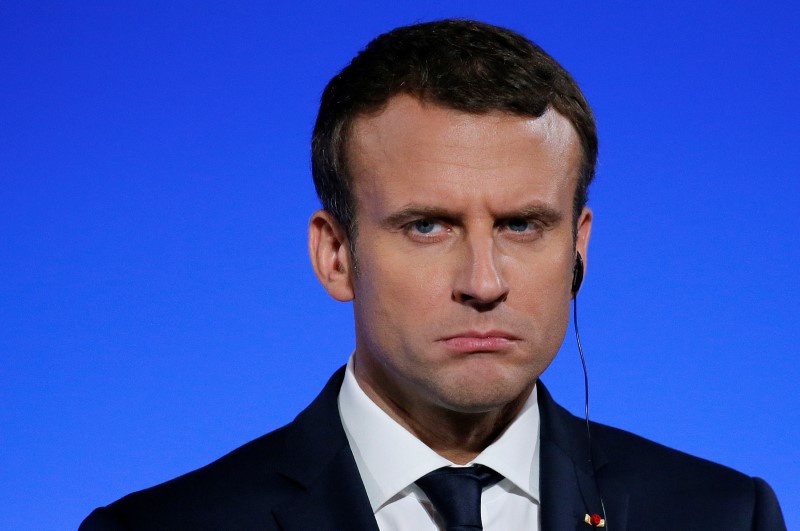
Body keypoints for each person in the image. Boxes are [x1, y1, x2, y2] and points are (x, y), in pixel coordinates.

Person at [80, 19, 786, 531]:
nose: (484, 281)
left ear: (579, 246)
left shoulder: (722, 514)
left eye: (521, 225)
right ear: (335, 255)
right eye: (428, 226)